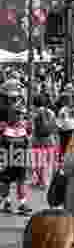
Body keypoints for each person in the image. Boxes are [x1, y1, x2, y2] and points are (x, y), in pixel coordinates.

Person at [0, 79, 32, 214]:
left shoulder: (21, 103)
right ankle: (6, 201)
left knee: (20, 178)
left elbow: (28, 128)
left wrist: (25, 127)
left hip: (20, 145)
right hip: (6, 146)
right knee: (5, 178)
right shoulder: (2, 108)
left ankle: (22, 203)